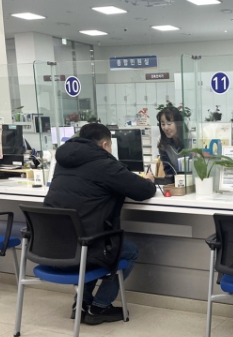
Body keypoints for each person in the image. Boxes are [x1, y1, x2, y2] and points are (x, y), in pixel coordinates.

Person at [44, 123, 156, 325]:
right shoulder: (104, 164)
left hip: (53, 248)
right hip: (84, 250)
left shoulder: (63, 161)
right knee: (126, 250)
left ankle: (81, 303)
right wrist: (149, 180)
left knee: (92, 239)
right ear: (105, 145)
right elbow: (142, 191)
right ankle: (99, 306)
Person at [157, 106, 187, 177]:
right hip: (174, 180)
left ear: (178, 123)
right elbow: (168, 169)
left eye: (169, 124)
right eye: (163, 124)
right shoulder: (162, 142)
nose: (166, 128)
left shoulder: (190, 139)